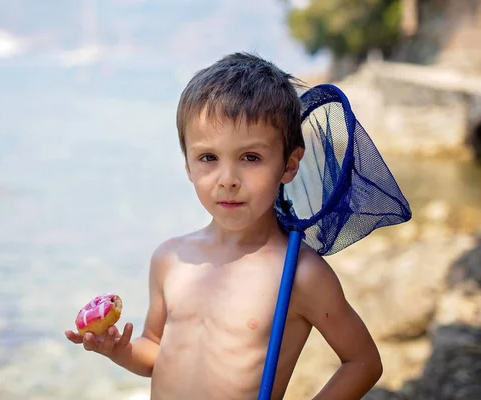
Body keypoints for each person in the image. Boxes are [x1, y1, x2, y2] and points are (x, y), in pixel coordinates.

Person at [65, 52, 383, 399]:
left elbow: (362, 361)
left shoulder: (299, 274)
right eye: (208, 158)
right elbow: (157, 352)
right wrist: (119, 350)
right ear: (187, 164)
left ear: (289, 164)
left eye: (251, 158)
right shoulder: (170, 259)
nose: (228, 179)